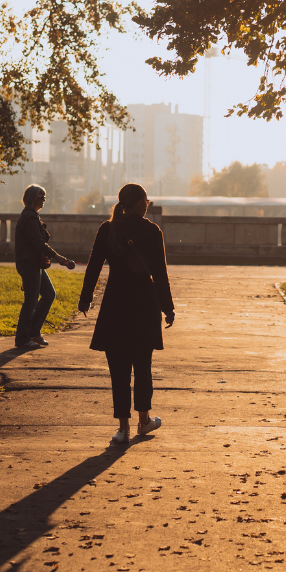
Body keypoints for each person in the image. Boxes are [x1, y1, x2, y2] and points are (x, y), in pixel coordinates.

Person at [79, 183, 175, 444]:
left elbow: (94, 267)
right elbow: (160, 274)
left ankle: (123, 428)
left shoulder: (108, 229)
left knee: (118, 368)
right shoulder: (152, 231)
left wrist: (85, 300)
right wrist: (168, 307)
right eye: (146, 200)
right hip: (144, 305)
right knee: (142, 365)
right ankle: (144, 421)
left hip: (115, 306)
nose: (148, 204)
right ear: (136, 203)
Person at [14, 185, 70, 350]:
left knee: (49, 294)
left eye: (44, 196)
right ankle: (22, 338)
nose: (44, 200)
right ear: (32, 198)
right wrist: (57, 257)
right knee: (30, 301)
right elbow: (38, 242)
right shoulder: (29, 217)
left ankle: (33, 333)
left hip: (34, 263)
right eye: (41, 196)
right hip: (28, 263)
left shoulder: (32, 216)